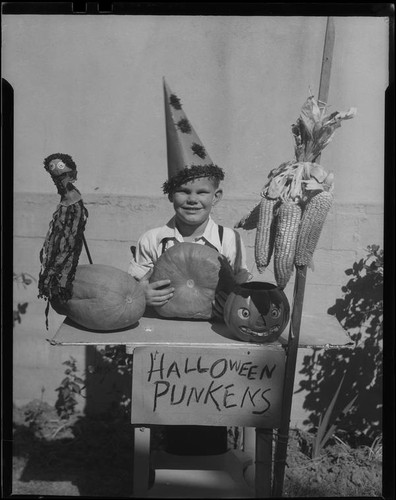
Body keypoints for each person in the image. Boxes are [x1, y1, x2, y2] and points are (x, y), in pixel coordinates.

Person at [128, 79, 251, 456]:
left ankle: (213, 458)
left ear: (217, 196)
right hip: (161, 331)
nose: (192, 199)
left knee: (208, 401)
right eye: (184, 192)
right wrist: (142, 292)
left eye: (201, 192)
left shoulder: (228, 239)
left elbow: (242, 284)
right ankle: (167, 463)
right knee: (168, 404)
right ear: (170, 194)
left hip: (215, 335)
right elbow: (130, 285)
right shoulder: (153, 238)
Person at [38, 153, 88, 328]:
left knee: (65, 254)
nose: (58, 181)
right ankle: (53, 285)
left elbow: (71, 239)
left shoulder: (73, 202)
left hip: (70, 232)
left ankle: (60, 287)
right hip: (63, 227)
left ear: (72, 174)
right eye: (55, 178)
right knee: (54, 252)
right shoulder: (65, 197)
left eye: (62, 176)